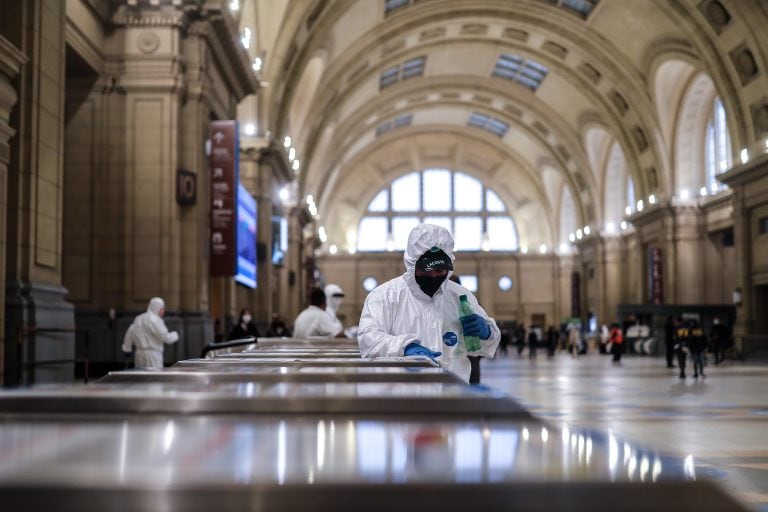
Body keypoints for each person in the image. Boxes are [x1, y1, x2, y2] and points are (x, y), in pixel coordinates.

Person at [357, 224, 501, 383]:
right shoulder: (385, 297)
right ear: (413, 264)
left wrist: (487, 332)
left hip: (453, 394)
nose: (433, 276)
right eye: (426, 270)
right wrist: (405, 348)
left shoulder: (460, 296)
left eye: (439, 271)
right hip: (401, 396)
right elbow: (368, 339)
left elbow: (488, 344)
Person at [121, 297, 179, 369]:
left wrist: (127, 349)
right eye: (162, 309)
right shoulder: (156, 320)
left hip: (139, 355)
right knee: (154, 378)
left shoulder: (139, 318)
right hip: (153, 356)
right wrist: (175, 335)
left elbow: (129, 333)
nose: (163, 311)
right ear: (157, 308)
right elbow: (165, 337)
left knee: (141, 378)